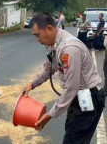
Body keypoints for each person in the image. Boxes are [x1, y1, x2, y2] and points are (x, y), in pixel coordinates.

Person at [23, 12, 105, 143]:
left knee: (73, 141)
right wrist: (32, 84)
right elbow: (48, 69)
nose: (37, 39)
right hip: (79, 98)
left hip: (89, 100)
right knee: (72, 137)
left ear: (49, 29)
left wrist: (50, 114)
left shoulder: (69, 49)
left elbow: (71, 88)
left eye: (38, 35)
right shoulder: (54, 45)